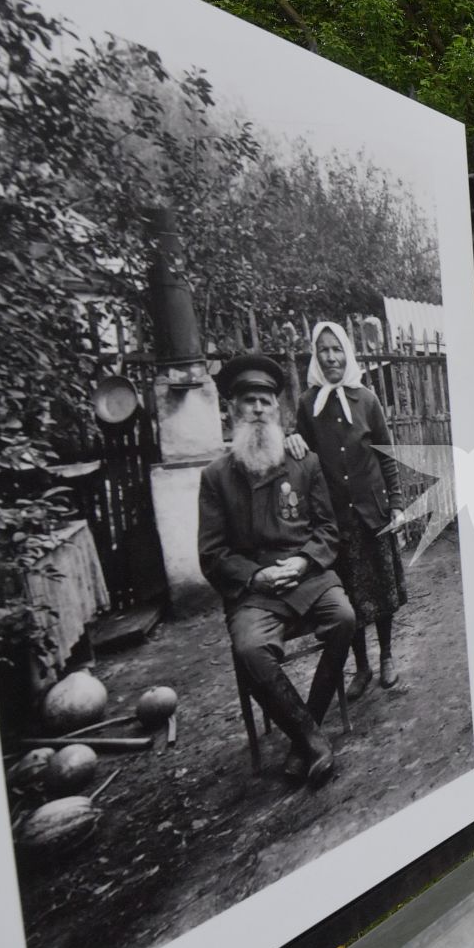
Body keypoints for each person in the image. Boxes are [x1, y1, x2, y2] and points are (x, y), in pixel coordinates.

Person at [199, 354, 355, 785]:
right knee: (250, 649)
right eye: (248, 401)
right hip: (254, 590)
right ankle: (311, 738)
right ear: (233, 410)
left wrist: (305, 559)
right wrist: (253, 576)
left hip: (308, 576)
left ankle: (302, 737)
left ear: (278, 408)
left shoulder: (302, 461)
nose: (258, 409)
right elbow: (211, 554)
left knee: (345, 618)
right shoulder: (217, 476)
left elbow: (328, 528)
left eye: (266, 400)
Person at [285, 322, 409, 698]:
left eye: (336, 349)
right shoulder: (308, 405)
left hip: (373, 513)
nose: (331, 357)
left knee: (383, 591)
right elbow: (300, 452)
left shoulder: (366, 399)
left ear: (347, 353)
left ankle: (386, 655)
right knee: (350, 595)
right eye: (323, 350)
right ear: (315, 356)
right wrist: (291, 437)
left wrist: (398, 504)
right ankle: (362, 667)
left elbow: (387, 458)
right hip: (335, 520)